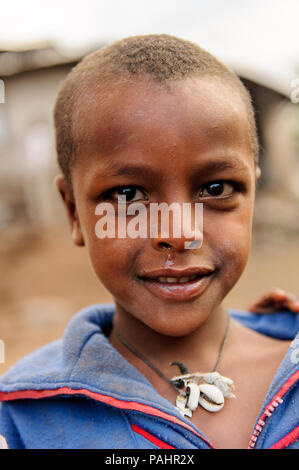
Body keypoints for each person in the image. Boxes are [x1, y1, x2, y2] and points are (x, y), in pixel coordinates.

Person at [0, 35, 298, 450]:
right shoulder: (24, 419)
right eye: (127, 196)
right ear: (74, 213)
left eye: (215, 187)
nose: (177, 233)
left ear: (252, 194)